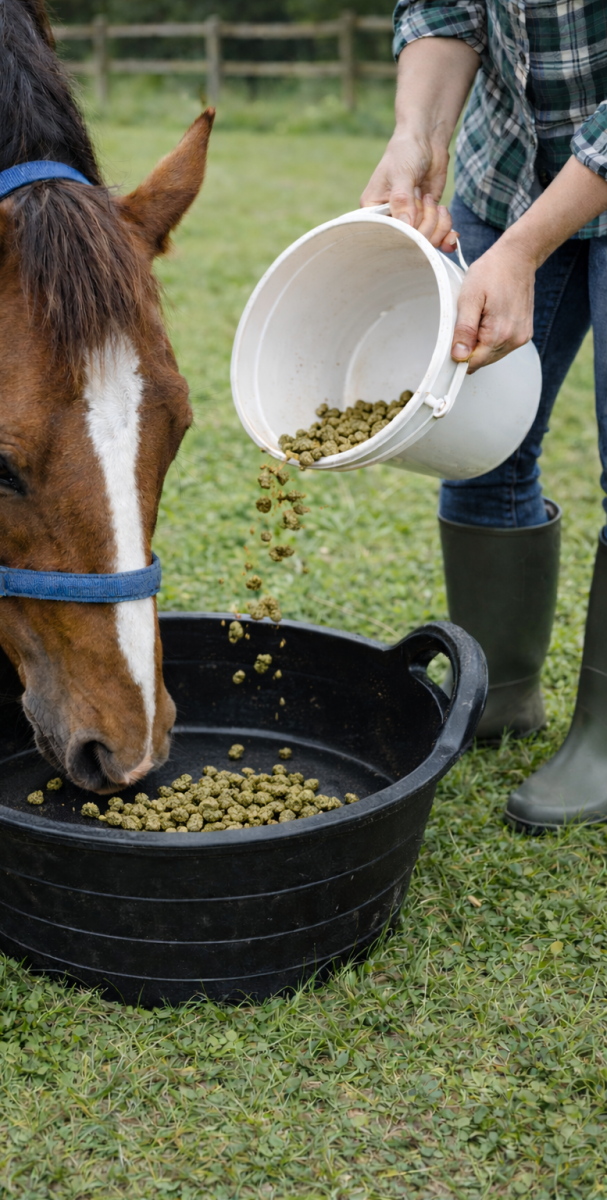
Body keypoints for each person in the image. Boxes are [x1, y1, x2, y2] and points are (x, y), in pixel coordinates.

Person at [361, 2, 607, 830]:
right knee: (473, 430)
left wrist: (523, 251)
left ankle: (606, 737)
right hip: (507, 172)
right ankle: (498, 691)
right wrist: (416, 134)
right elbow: (445, 9)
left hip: (563, 190)